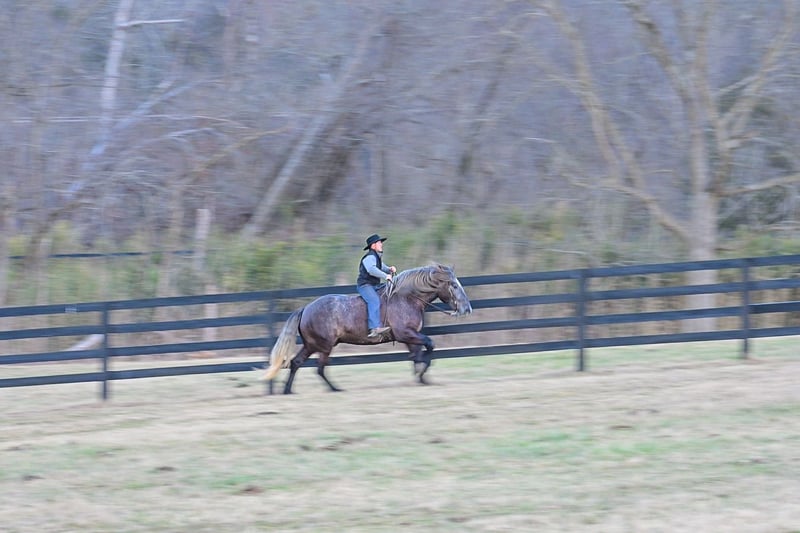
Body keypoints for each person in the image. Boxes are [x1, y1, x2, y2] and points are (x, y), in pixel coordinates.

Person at [357, 233, 397, 337]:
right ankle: (374, 328)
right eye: (379, 243)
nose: (381, 244)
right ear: (373, 245)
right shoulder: (369, 257)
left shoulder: (376, 257)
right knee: (374, 300)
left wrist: (389, 269)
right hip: (365, 285)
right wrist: (385, 276)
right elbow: (371, 269)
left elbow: (381, 267)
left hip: (374, 285)